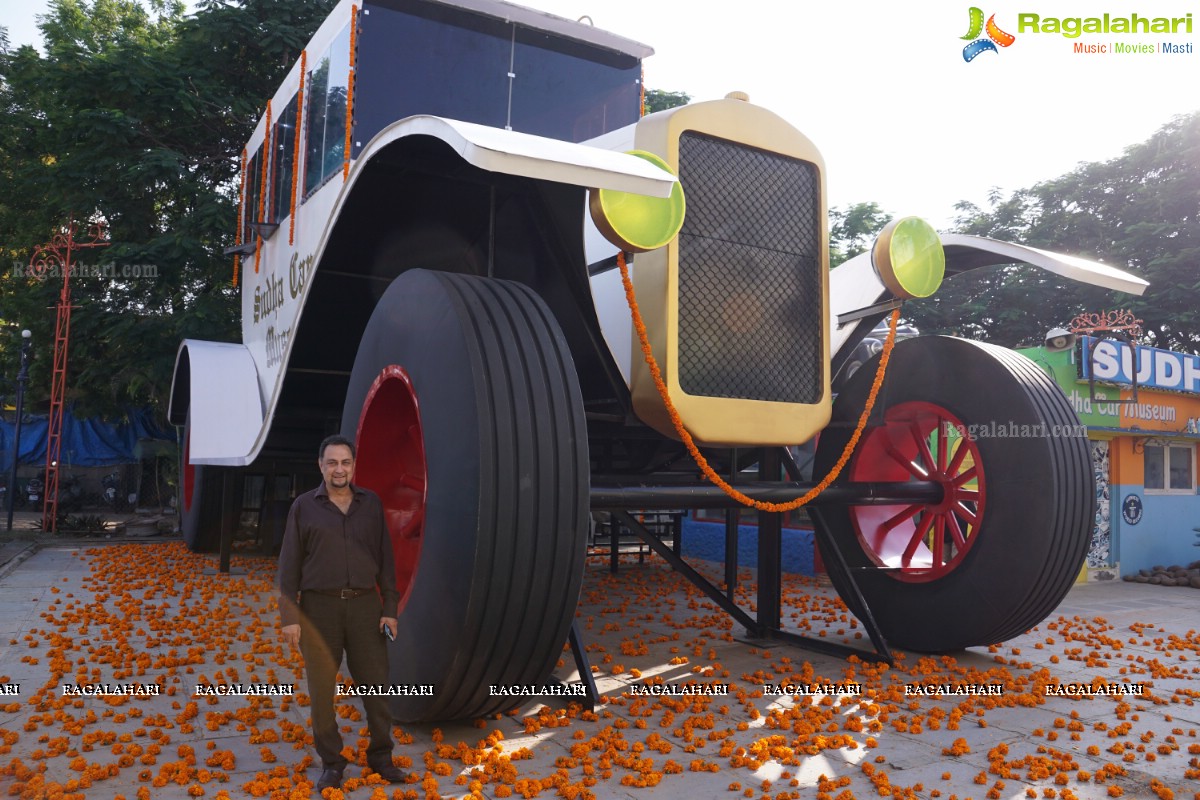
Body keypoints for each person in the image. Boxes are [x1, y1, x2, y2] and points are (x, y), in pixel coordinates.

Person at [278, 434, 408, 791]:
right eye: (332, 462)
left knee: (377, 688)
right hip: (319, 609)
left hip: (367, 607)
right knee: (321, 692)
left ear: (353, 466)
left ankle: (381, 757)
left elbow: (385, 560)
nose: (339, 469)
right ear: (321, 466)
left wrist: (390, 608)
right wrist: (289, 617)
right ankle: (332, 763)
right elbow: (288, 565)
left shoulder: (371, 504)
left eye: (345, 462)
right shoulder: (304, 507)